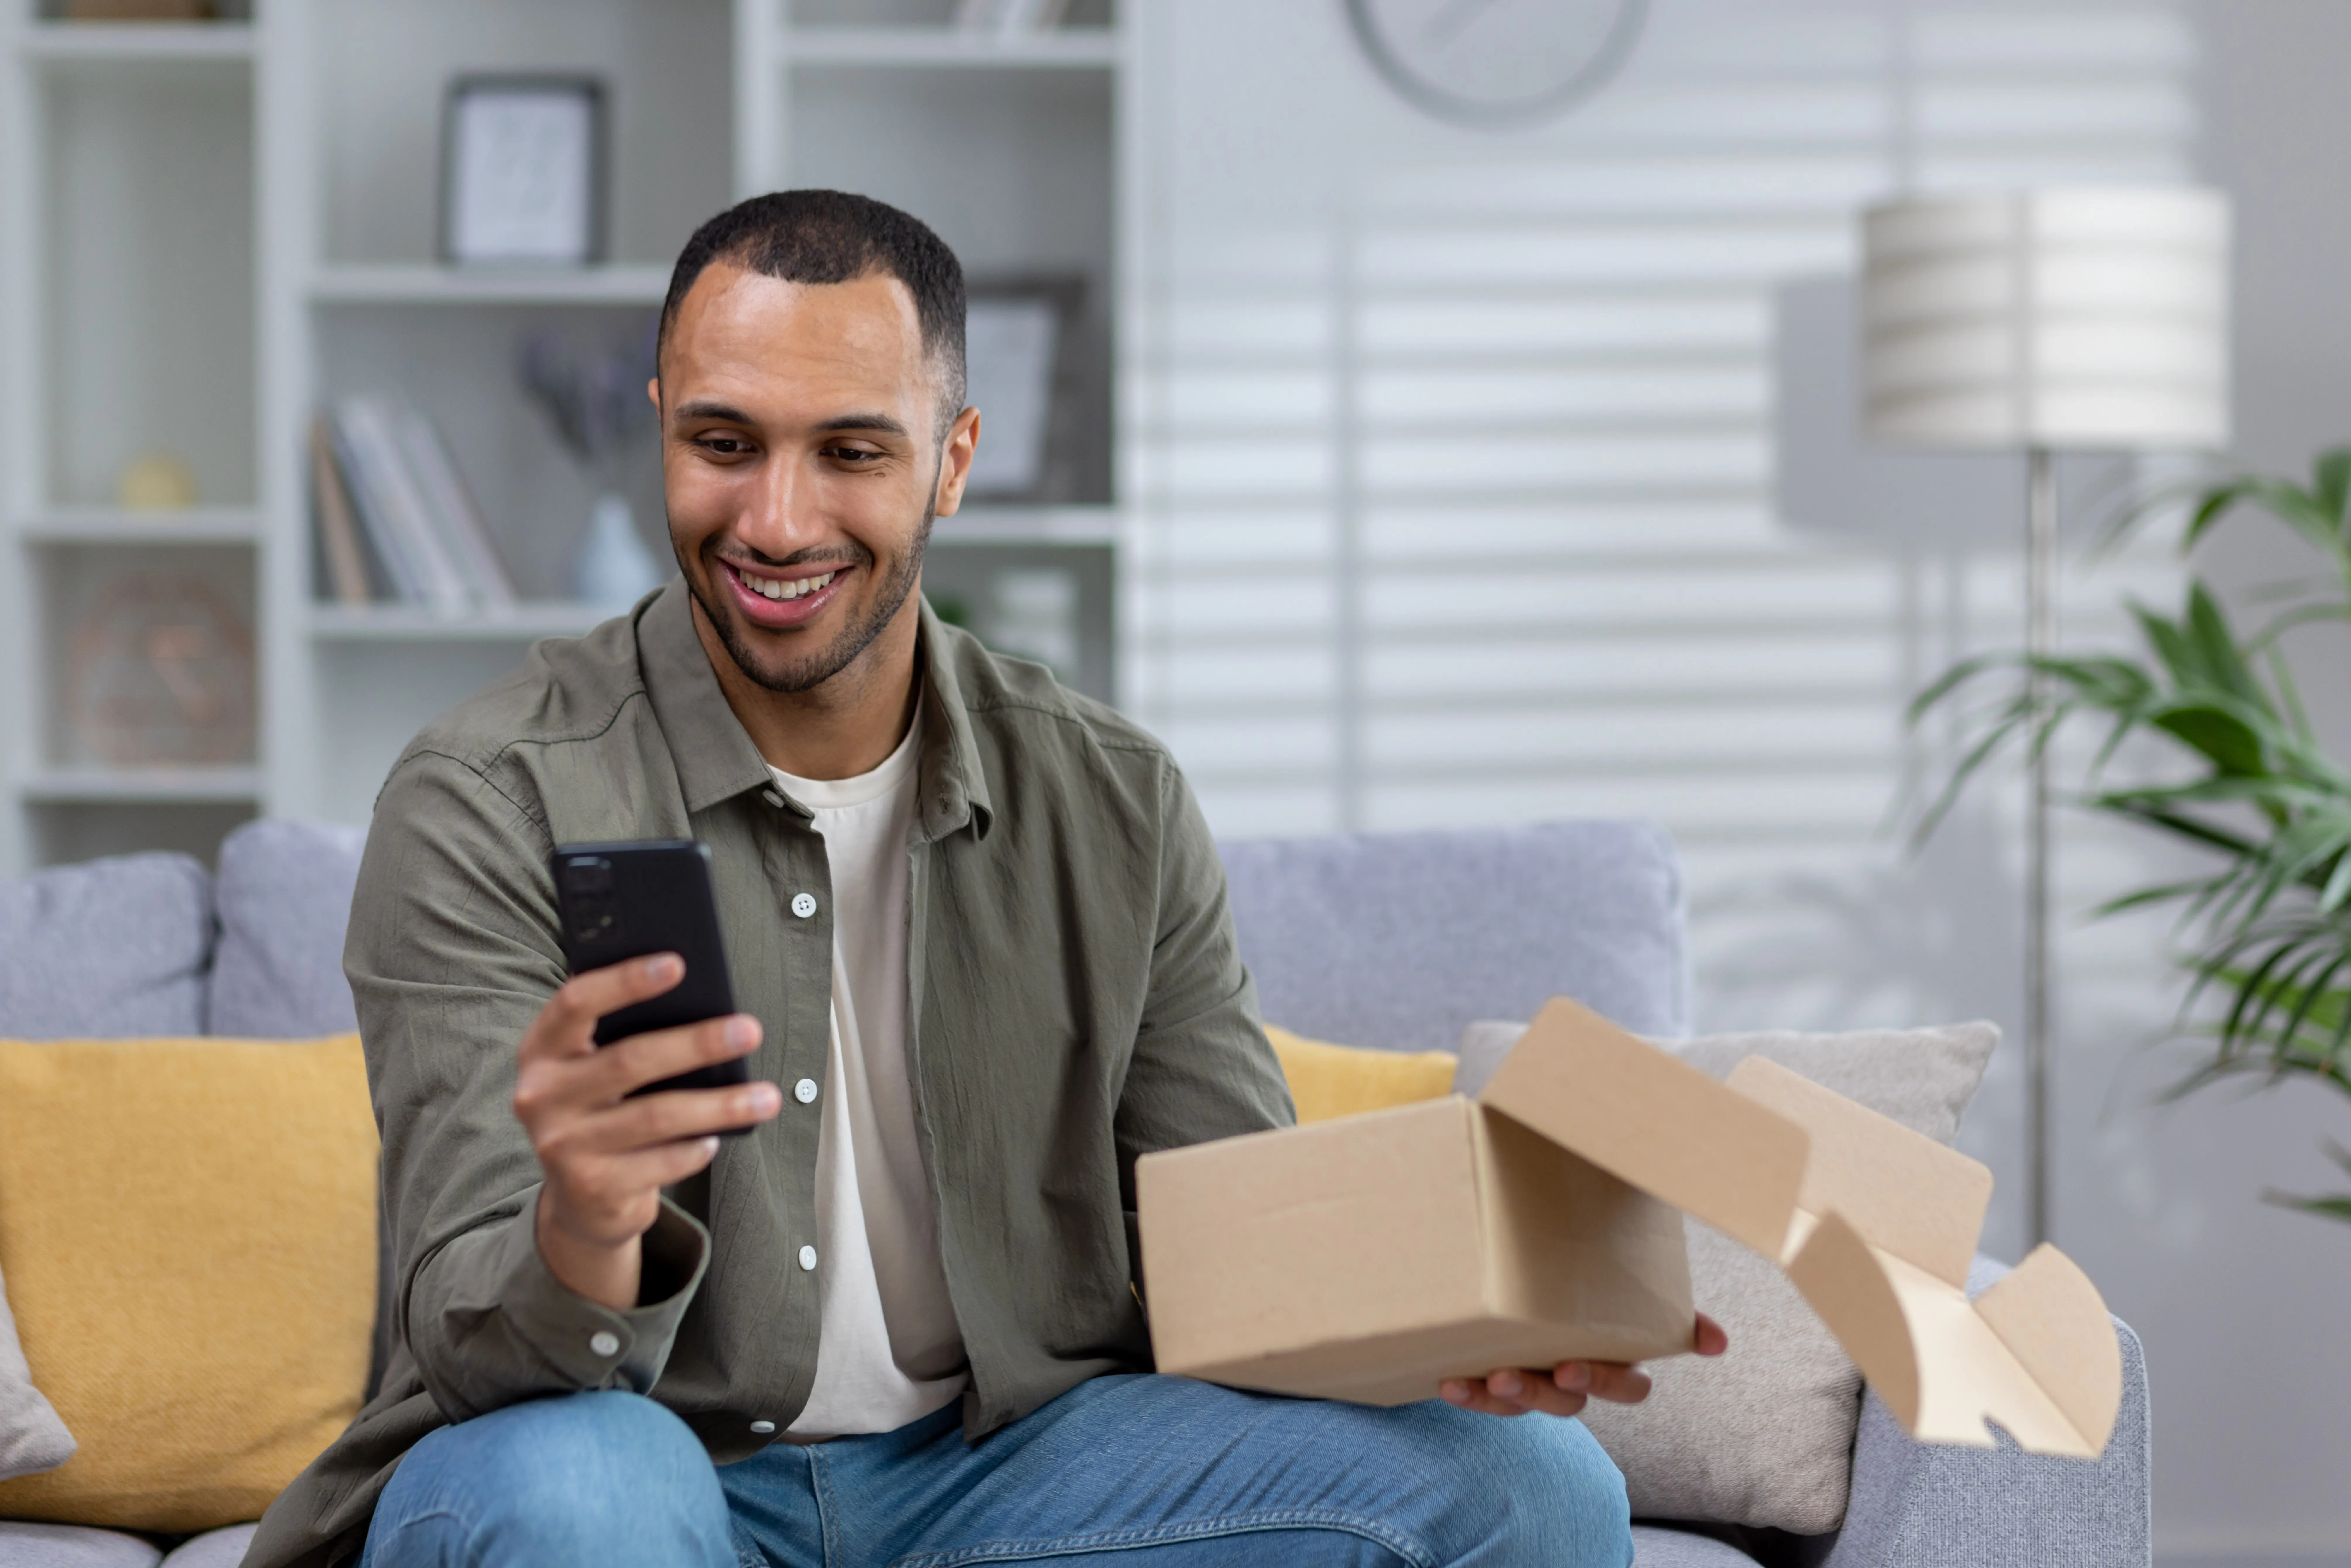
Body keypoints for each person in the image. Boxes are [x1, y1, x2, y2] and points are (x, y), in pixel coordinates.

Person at [247, 190, 1726, 1568]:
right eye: (723, 443)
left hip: (994, 1473)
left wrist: (1440, 1332)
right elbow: (470, 1342)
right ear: (660, 433)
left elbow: (1239, 1253)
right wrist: (582, 1225)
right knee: (584, 1493)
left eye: (851, 451)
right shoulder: (490, 794)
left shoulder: (1115, 798)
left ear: (953, 457)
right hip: (618, 1460)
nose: (774, 520)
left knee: (1529, 1487)